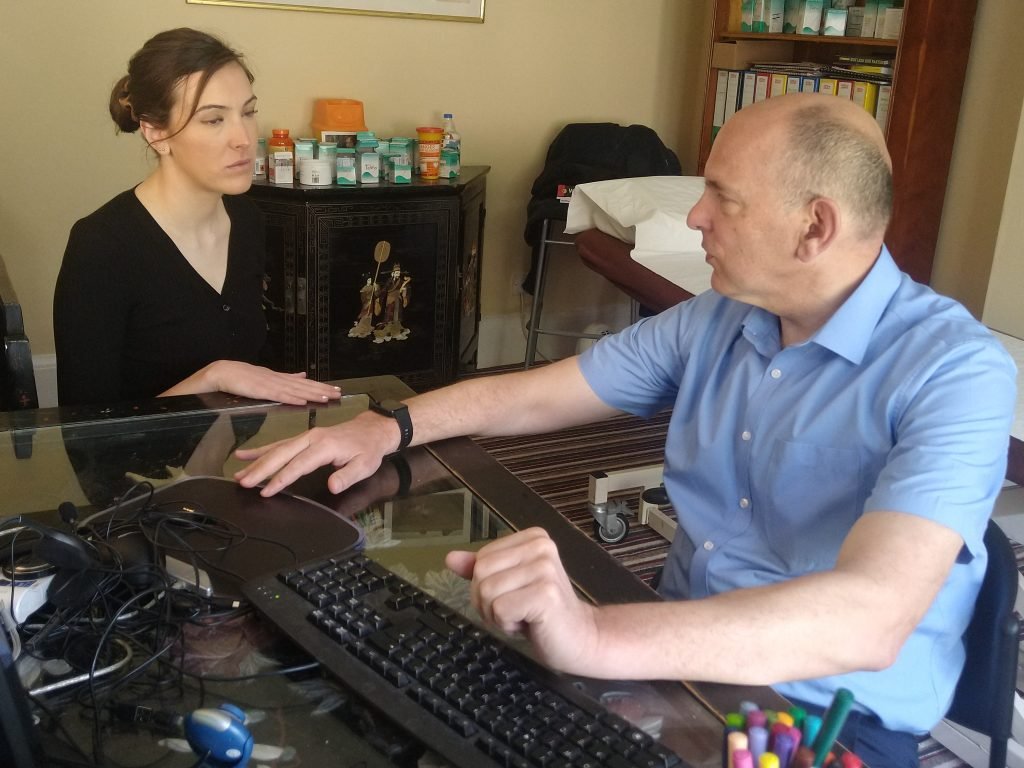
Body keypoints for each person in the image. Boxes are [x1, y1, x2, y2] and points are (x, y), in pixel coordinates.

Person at [233, 93, 1016, 767]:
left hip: (828, 720)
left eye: (722, 196)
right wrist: (388, 427)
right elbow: (536, 397)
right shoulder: (721, 316)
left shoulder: (956, 372)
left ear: (814, 227)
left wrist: (600, 639)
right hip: (673, 667)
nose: (696, 216)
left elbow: (870, 619)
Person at [53, 28, 340, 408]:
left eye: (248, 112)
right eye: (213, 120)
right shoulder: (103, 247)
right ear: (156, 132)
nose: (243, 137)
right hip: (139, 466)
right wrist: (213, 377)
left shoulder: (248, 221)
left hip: (235, 459)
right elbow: (84, 432)